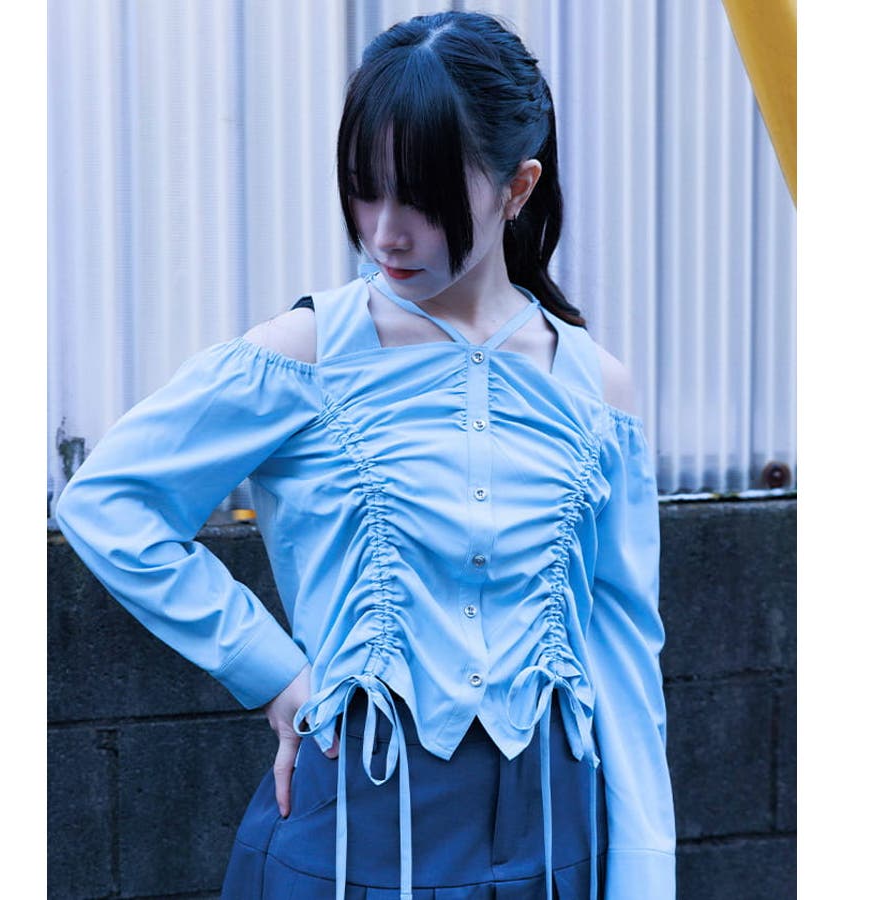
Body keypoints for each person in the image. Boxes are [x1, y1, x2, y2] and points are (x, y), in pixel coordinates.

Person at [55, 10, 675, 900]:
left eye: (422, 197)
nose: (385, 233)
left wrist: (644, 872)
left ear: (519, 186)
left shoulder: (596, 388)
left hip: (555, 837)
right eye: (364, 190)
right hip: (355, 831)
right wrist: (275, 673)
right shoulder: (306, 352)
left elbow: (623, 650)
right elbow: (108, 501)